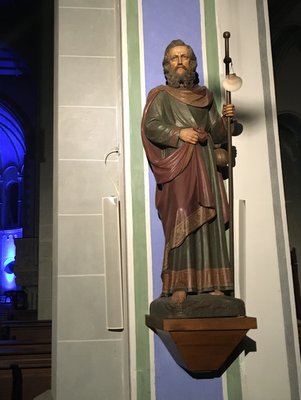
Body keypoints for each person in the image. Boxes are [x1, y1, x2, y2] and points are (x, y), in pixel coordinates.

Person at [141, 39, 241, 304]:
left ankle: (215, 283)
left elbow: (216, 133)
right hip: (179, 168)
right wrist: (179, 133)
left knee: (210, 222)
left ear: (192, 63)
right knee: (181, 218)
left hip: (205, 165)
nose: (180, 62)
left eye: (185, 57)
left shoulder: (205, 97)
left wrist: (225, 120)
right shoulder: (160, 95)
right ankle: (179, 285)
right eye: (174, 58)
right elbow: (150, 127)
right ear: (167, 65)